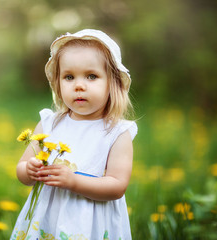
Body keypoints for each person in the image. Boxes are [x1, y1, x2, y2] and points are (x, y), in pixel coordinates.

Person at [11, 29, 138, 240]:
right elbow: (22, 171)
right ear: (58, 84)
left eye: (91, 76)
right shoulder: (49, 124)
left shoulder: (116, 132)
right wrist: (29, 170)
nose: (79, 85)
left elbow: (117, 186)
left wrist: (74, 182)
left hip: (91, 224)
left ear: (112, 83)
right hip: (47, 219)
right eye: (69, 77)